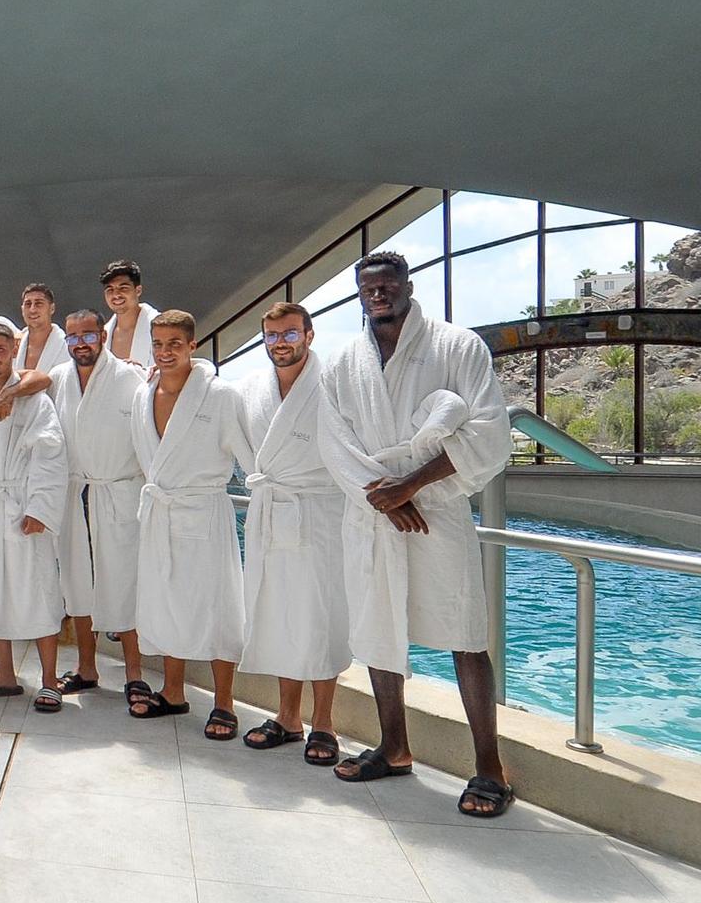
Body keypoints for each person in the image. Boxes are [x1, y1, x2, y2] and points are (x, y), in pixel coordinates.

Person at [319, 251, 514, 816]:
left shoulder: (457, 346)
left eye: (387, 284)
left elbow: (489, 431)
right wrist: (382, 497)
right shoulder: (343, 362)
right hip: (374, 513)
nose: (377, 294)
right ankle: (395, 746)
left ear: (408, 285)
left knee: (465, 634)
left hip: (436, 511)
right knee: (379, 627)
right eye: (368, 286)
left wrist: (411, 485)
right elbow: (334, 443)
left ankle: (489, 768)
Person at [129, 310, 257, 740]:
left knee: (219, 606)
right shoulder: (143, 393)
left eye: (174, 344)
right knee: (165, 600)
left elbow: (252, 458)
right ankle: (173, 691)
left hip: (204, 514)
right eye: (158, 345)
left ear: (192, 345)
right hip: (160, 514)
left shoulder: (220, 396)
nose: (165, 353)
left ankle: (224, 703)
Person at [238, 302, 348, 765]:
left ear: (309, 335)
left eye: (289, 334)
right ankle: (287, 717)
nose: (280, 343)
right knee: (280, 611)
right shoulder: (251, 390)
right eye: (272, 336)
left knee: (320, 615)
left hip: (319, 513)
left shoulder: (335, 386)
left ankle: (324, 722)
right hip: (272, 511)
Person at [0, 325, 69, 711]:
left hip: (22, 508)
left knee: (37, 591)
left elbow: (50, 454)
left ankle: (50, 681)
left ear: (13, 350)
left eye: (0, 349)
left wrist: (39, 507)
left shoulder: (35, 401)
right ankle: (4, 676)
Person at [49, 309, 148, 702]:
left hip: (118, 495)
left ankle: (135, 674)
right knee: (77, 584)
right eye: (72, 338)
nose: (80, 344)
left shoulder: (131, 378)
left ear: (102, 337)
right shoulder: (58, 379)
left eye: (87, 335)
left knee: (124, 583)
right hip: (75, 495)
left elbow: (147, 436)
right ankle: (86, 668)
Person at [101, 260, 160, 364]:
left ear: (138, 290)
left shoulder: (162, 327)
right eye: (110, 290)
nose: (116, 295)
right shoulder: (103, 334)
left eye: (123, 288)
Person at [16, 283, 70, 378]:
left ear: (52, 308)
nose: (32, 310)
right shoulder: (14, 344)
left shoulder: (66, 345)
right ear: (22, 309)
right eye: (28, 304)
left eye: (38, 304)